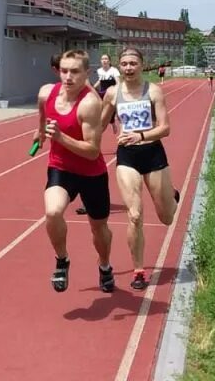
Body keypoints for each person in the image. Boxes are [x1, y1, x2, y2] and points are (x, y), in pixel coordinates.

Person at [34, 50, 115, 294]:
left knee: (98, 229)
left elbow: (92, 151)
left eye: (75, 72)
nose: (68, 76)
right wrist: (40, 131)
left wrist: (60, 137)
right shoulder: (46, 93)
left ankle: (105, 266)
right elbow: (43, 115)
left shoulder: (90, 104)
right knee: (53, 211)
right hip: (61, 167)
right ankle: (62, 260)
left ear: (86, 74)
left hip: (92, 173)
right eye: (64, 70)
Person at [102, 47, 180, 290]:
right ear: (119, 65)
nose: (128, 68)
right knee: (134, 214)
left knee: (166, 217)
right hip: (127, 157)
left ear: (141, 65)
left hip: (153, 153)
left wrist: (141, 134)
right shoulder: (113, 94)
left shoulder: (153, 91)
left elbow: (165, 128)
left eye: (133, 63)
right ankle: (138, 270)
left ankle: (172, 196)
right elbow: (99, 124)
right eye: (124, 63)